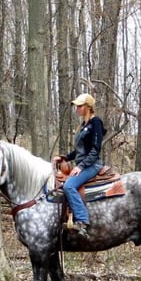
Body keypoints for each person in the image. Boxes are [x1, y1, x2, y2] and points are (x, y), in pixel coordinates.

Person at [53, 93, 106, 236]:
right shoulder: (83, 125)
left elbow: (95, 150)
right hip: (83, 164)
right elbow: (79, 151)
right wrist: (65, 157)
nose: (77, 108)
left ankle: (82, 220)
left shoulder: (96, 123)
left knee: (69, 185)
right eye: (76, 106)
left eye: (80, 106)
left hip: (92, 165)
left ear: (88, 107)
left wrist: (80, 166)